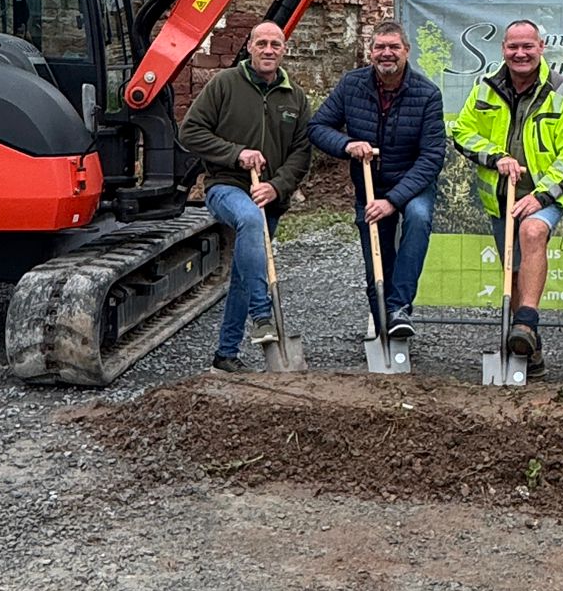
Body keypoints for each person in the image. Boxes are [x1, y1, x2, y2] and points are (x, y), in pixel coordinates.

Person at [450, 18, 563, 378]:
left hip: (547, 195)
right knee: (512, 271)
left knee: (532, 232)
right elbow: (462, 132)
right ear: (503, 50)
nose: (520, 53)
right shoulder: (485, 88)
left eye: (528, 46)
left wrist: (542, 196)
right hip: (502, 196)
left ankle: (527, 320)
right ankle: (529, 346)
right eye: (513, 46)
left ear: (541, 48)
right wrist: (496, 157)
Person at [180, 20, 312, 373]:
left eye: (275, 44)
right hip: (227, 186)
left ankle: (225, 355)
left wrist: (276, 186)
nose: (268, 50)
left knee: (245, 271)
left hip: (270, 196)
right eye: (262, 43)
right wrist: (237, 153)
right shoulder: (225, 84)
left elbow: (301, 153)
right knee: (250, 220)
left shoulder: (295, 98)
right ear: (250, 47)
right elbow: (190, 132)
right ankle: (262, 313)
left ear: (284, 50)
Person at [309, 18, 446, 337]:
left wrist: (393, 201)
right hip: (370, 184)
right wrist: (347, 144)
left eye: (394, 47)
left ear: (406, 51)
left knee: (418, 218)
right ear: (370, 52)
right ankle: (385, 321)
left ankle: (399, 308)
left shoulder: (427, 94)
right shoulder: (352, 85)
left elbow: (432, 157)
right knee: (377, 258)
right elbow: (317, 127)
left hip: (413, 183)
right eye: (380, 47)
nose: (387, 53)